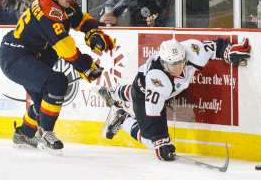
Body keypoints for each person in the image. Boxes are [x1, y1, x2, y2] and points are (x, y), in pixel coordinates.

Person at [0, 0, 115, 155]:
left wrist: (94, 33)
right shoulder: (48, 10)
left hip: (35, 54)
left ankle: (24, 134)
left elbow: (81, 18)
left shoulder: (61, 2)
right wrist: (86, 68)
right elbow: (65, 48)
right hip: (16, 55)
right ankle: (46, 132)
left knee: (43, 100)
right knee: (56, 82)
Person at [94, 37, 251, 161]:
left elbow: (216, 47)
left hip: (164, 89)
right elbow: (154, 115)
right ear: (163, 62)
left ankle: (113, 92)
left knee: (144, 93)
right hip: (143, 92)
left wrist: (228, 51)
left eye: (179, 62)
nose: (177, 68)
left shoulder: (193, 50)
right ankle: (122, 118)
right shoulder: (157, 79)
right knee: (150, 140)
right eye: (171, 64)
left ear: (184, 56)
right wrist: (161, 141)